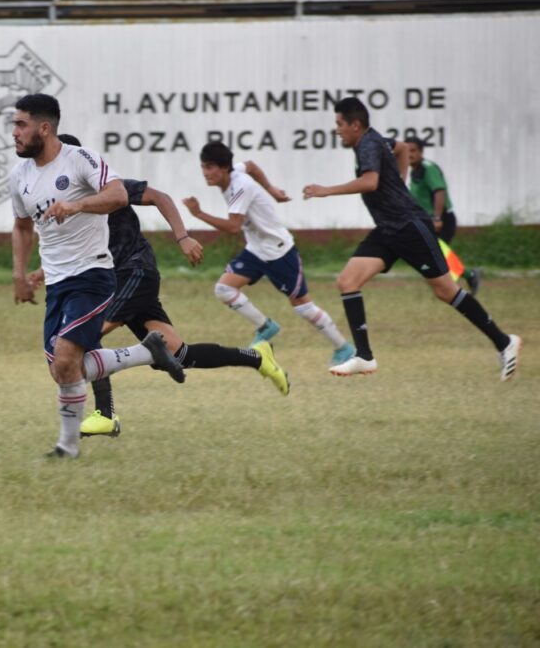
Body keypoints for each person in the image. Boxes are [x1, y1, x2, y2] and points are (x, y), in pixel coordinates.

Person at [28, 134, 290, 440]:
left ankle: (105, 414)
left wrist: (183, 237)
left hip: (135, 271)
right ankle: (258, 357)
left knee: (82, 337)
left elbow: (160, 197)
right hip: (109, 278)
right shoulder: (67, 204)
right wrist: (42, 271)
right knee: (180, 354)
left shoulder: (110, 187)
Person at [10, 94, 186, 459]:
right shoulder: (19, 176)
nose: (15, 132)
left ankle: (67, 448)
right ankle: (147, 351)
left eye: (21, 124)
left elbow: (117, 195)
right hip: (57, 283)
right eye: (15, 125)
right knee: (63, 370)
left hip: (92, 275)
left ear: (45, 128)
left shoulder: (81, 159)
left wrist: (76, 204)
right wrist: (19, 275)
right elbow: (22, 227)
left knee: (66, 359)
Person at [302, 96, 520, 380]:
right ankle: (364, 356)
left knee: (446, 290)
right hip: (388, 229)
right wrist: (400, 180)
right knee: (347, 281)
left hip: (409, 227)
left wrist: (326, 190)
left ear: (355, 125)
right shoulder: (374, 140)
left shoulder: (368, 144)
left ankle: (504, 342)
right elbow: (403, 147)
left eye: (340, 124)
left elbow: (370, 182)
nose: (337, 130)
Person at [182, 141, 356, 370]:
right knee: (224, 289)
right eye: (203, 166)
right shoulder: (236, 172)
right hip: (256, 250)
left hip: (279, 251)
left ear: (224, 168)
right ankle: (266, 327)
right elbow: (251, 165)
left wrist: (198, 213)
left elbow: (233, 227)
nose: (205, 172)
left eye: (210, 167)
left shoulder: (240, 186)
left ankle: (344, 348)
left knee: (302, 306)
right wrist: (272, 190)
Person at [406, 136, 481, 295]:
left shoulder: (428, 168)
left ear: (421, 152)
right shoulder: (414, 171)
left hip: (442, 219)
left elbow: (439, 191)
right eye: (407, 151)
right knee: (436, 253)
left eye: (413, 150)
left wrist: (437, 217)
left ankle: (460, 282)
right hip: (427, 220)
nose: (409, 154)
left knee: (438, 253)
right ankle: (466, 278)